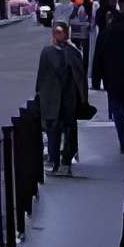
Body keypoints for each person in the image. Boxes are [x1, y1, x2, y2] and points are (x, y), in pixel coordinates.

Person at [36, 21, 84, 175]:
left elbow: (79, 77)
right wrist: (40, 94)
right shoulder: (48, 52)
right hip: (52, 98)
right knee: (53, 130)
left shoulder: (72, 52)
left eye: (60, 31)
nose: (57, 35)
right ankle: (54, 160)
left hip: (67, 99)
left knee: (67, 130)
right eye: (55, 32)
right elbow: (41, 76)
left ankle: (65, 160)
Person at [97, 6, 124, 154]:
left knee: (118, 111)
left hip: (112, 79)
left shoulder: (105, 34)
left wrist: (97, 80)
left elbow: (98, 58)